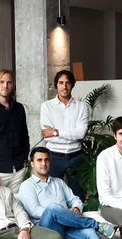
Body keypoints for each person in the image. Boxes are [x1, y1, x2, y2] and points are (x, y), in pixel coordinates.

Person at [40, 70, 88, 200]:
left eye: (67, 82)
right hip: (54, 157)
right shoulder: (47, 106)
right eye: (61, 83)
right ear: (56, 85)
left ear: (72, 85)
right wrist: (70, 134)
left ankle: (77, 220)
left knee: (78, 196)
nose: (64, 86)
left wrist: (56, 132)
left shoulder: (81, 107)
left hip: (76, 157)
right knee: (53, 196)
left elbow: (81, 133)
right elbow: (47, 135)